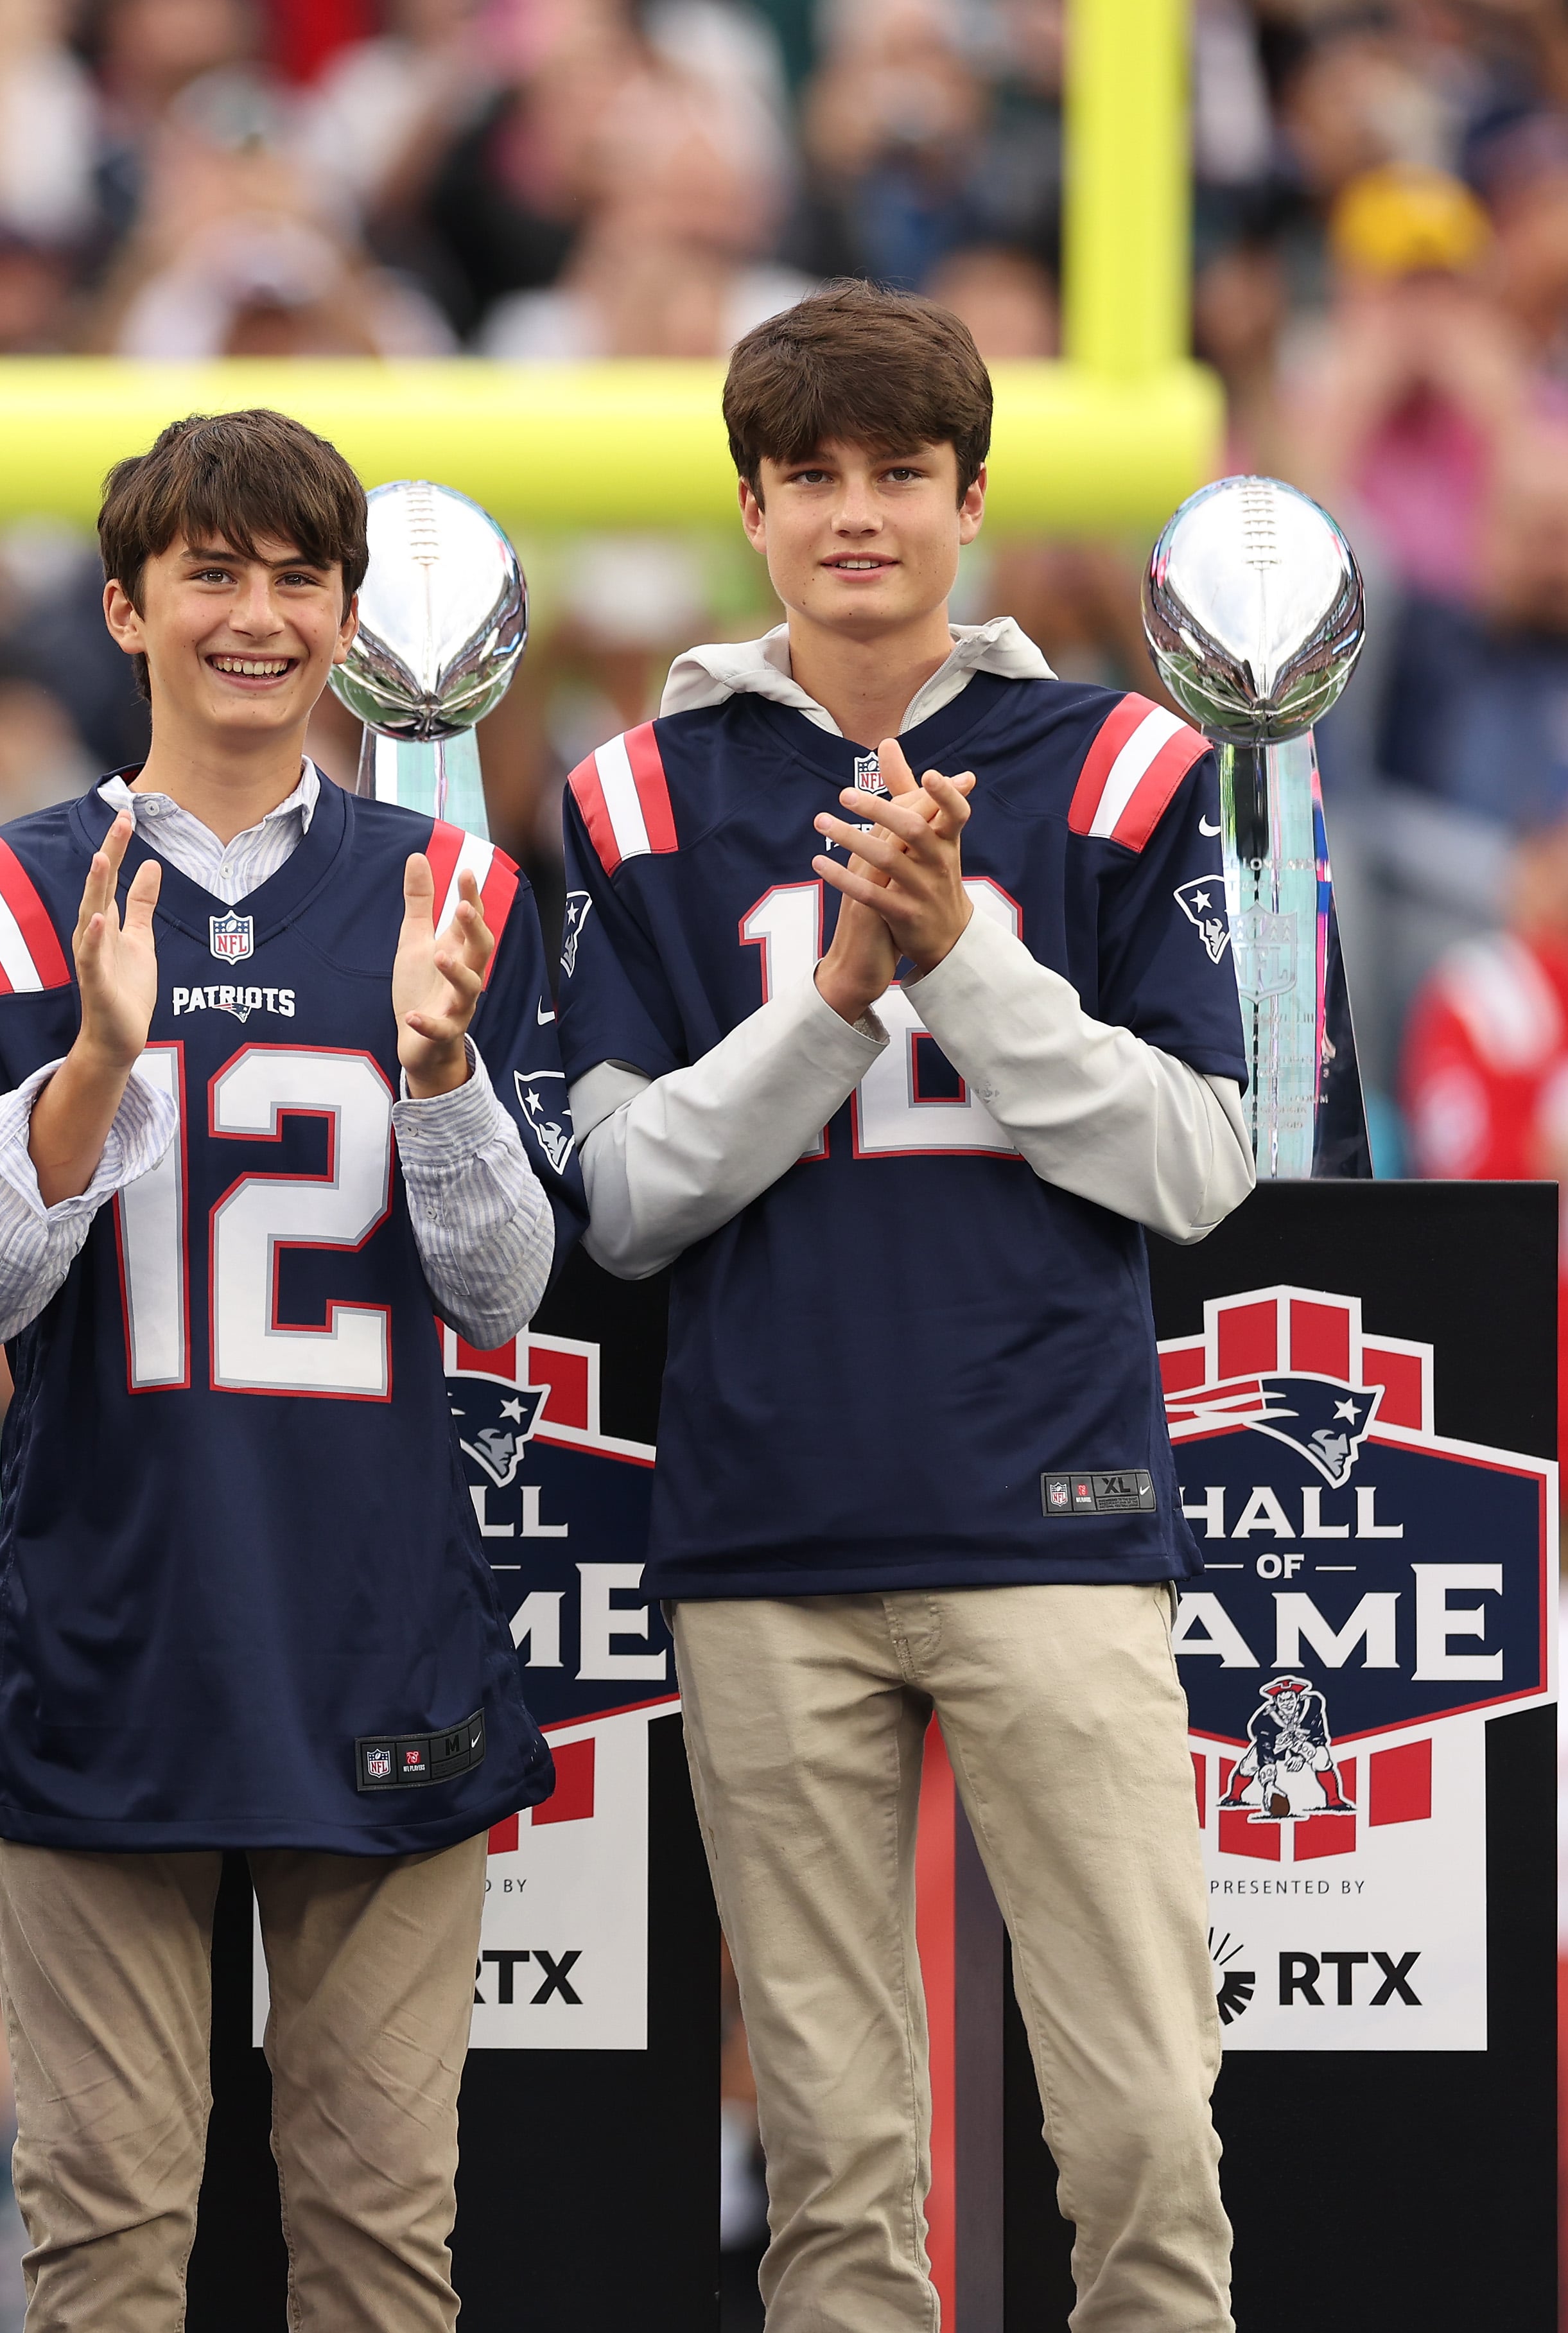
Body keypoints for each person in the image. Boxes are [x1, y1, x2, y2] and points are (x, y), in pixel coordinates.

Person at [555, 282, 1250, 2331]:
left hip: (1050, 1514)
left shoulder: (1118, 763)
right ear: (750, 509)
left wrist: (960, 956)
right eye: (811, 478)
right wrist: (840, 1002)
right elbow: (614, 1200)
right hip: (765, 1529)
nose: (856, 515)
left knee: (1140, 2119)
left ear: (969, 502)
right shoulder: (633, 796)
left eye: (897, 476)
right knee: (838, 2176)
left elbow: (1196, 1164)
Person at [0, 408, 574, 2333]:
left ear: (347, 611)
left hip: (378, 1623)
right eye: (211, 573)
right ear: (125, 604)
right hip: (117, 1629)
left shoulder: (452, 891)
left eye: (294, 578)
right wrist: (90, 1073)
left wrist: (436, 1080)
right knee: (99, 2246)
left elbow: (505, 1286)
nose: (253, 617)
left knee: (377, 2248)